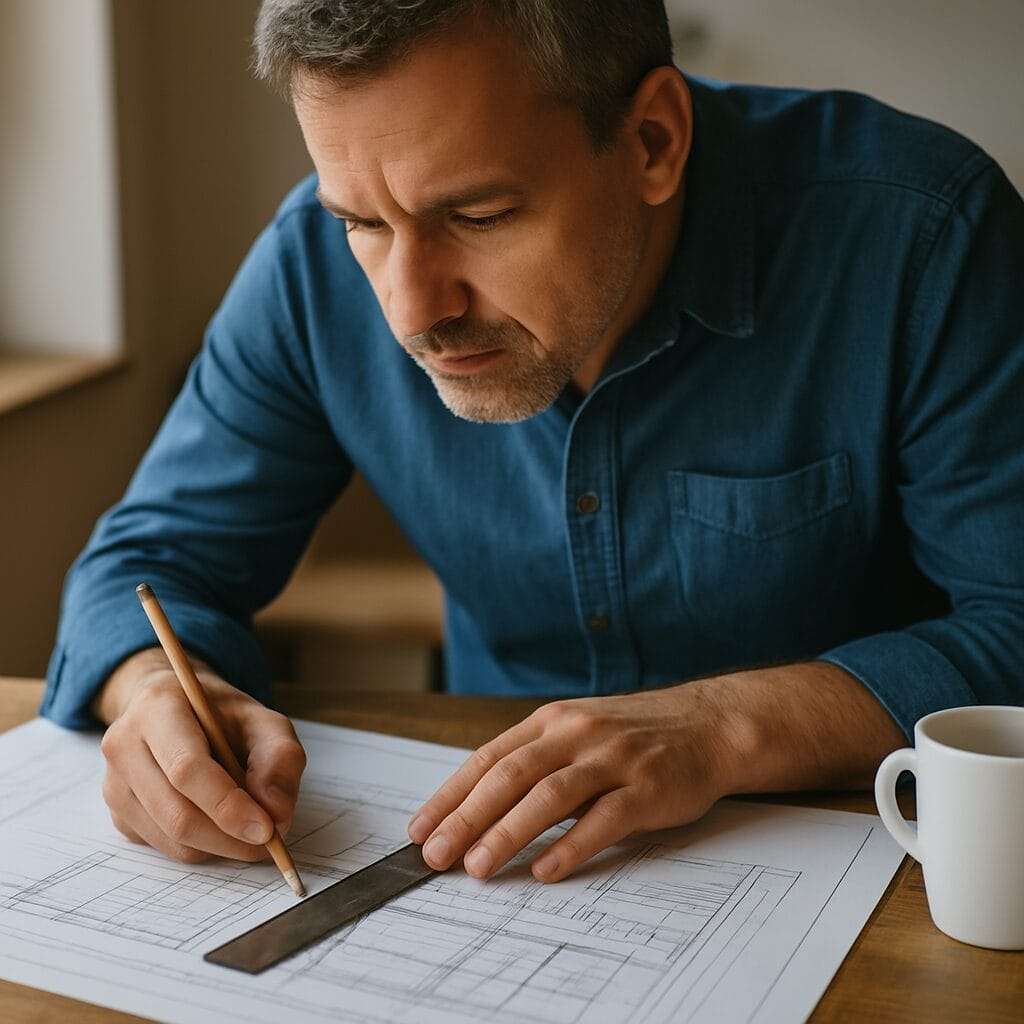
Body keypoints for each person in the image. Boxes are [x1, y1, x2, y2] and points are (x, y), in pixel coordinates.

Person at [43, 0, 1024, 885]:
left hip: (882, 854)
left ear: (651, 140)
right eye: (361, 222)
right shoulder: (309, 265)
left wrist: (726, 727)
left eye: (476, 215)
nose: (409, 307)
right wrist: (159, 693)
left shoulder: (921, 235)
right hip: (499, 874)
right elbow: (145, 563)